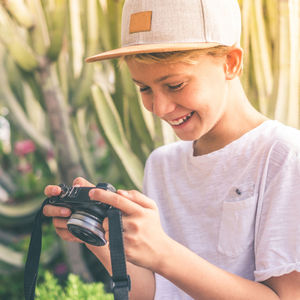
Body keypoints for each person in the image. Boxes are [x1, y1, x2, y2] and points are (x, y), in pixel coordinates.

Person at [43, 0, 300, 299]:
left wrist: (164, 253)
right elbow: (157, 292)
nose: (159, 107)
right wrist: (98, 234)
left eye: (175, 85)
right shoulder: (161, 164)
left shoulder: (283, 157)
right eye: (144, 88)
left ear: (230, 62)